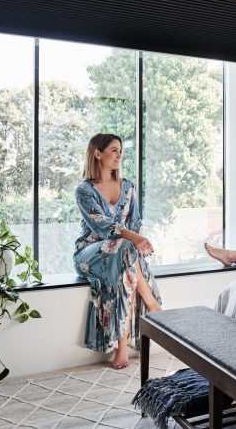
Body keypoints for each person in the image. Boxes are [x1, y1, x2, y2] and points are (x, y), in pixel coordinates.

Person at [74, 133, 162, 369]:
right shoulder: (84, 190)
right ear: (97, 153)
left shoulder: (128, 187)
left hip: (122, 253)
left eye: (120, 150)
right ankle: (153, 305)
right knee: (125, 248)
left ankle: (121, 349)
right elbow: (100, 226)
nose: (119, 154)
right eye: (114, 150)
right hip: (90, 253)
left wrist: (133, 239)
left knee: (126, 266)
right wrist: (133, 238)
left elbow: (135, 222)